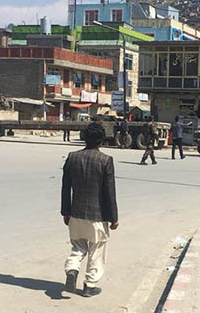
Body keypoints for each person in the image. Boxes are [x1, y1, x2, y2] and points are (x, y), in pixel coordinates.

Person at [61, 123, 119, 297]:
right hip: (97, 216)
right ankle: (90, 285)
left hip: (76, 214)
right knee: (97, 248)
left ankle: (72, 269)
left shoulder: (72, 157)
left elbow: (65, 188)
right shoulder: (105, 160)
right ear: (101, 140)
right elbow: (109, 192)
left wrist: (66, 212)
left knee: (78, 246)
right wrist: (113, 217)